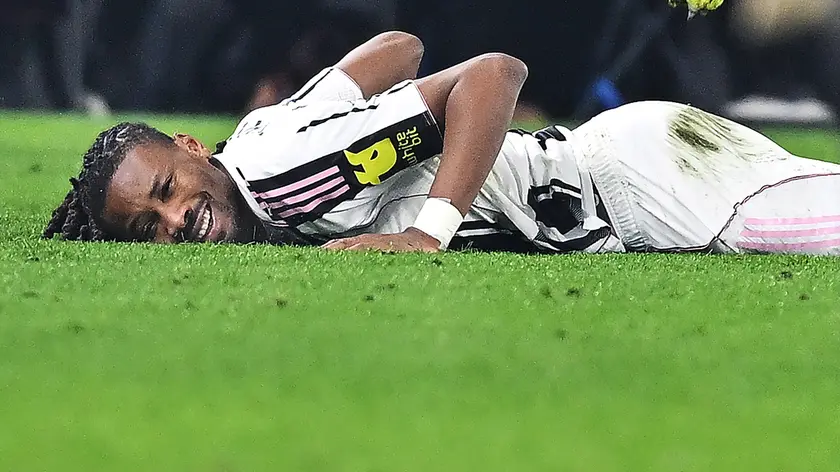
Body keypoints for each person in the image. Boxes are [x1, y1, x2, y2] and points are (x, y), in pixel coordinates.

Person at [43, 32, 840, 255]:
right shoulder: (257, 144)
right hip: (626, 159)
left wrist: (430, 230)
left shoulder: (282, 173)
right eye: (149, 227)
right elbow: (401, 49)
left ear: (189, 147)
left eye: (165, 191)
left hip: (636, 184)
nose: (176, 219)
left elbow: (492, 74)